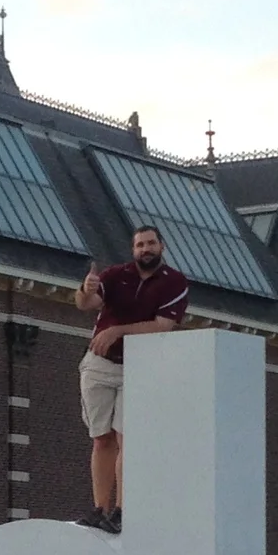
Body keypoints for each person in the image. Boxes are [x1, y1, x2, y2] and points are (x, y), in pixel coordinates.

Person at [71, 224, 190, 533]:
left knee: (128, 439)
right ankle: (100, 509)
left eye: (150, 244)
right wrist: (85, 289)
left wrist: (117, 331)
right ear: (132, 250)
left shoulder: (175, 282)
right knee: (101, 438)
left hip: (139, 368)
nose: (145, 250)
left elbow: (163, 326)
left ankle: (123, 511)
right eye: (139, 245)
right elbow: (87, 305)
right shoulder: (115, 275)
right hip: (100, 364)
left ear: (162, 247)